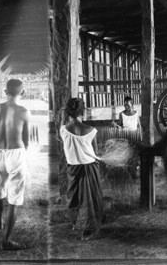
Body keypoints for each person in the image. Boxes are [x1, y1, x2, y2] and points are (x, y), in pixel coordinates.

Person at [0, 79, 31, 251]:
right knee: (14, 199)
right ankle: (6, 241)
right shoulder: (24, 111)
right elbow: (26, 139)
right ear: (23, 92)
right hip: (16, 153)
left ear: (5, 92)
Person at [60, 98, 104, 241]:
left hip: (73, 168)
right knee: (90, 200)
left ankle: (76, 225)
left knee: (75, 198)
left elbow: (67, 147)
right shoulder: (91, 130)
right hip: (89, 168)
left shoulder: (62, 130)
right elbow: (96, 153)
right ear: (83, 111)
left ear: (68, 112)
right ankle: (89, 230)